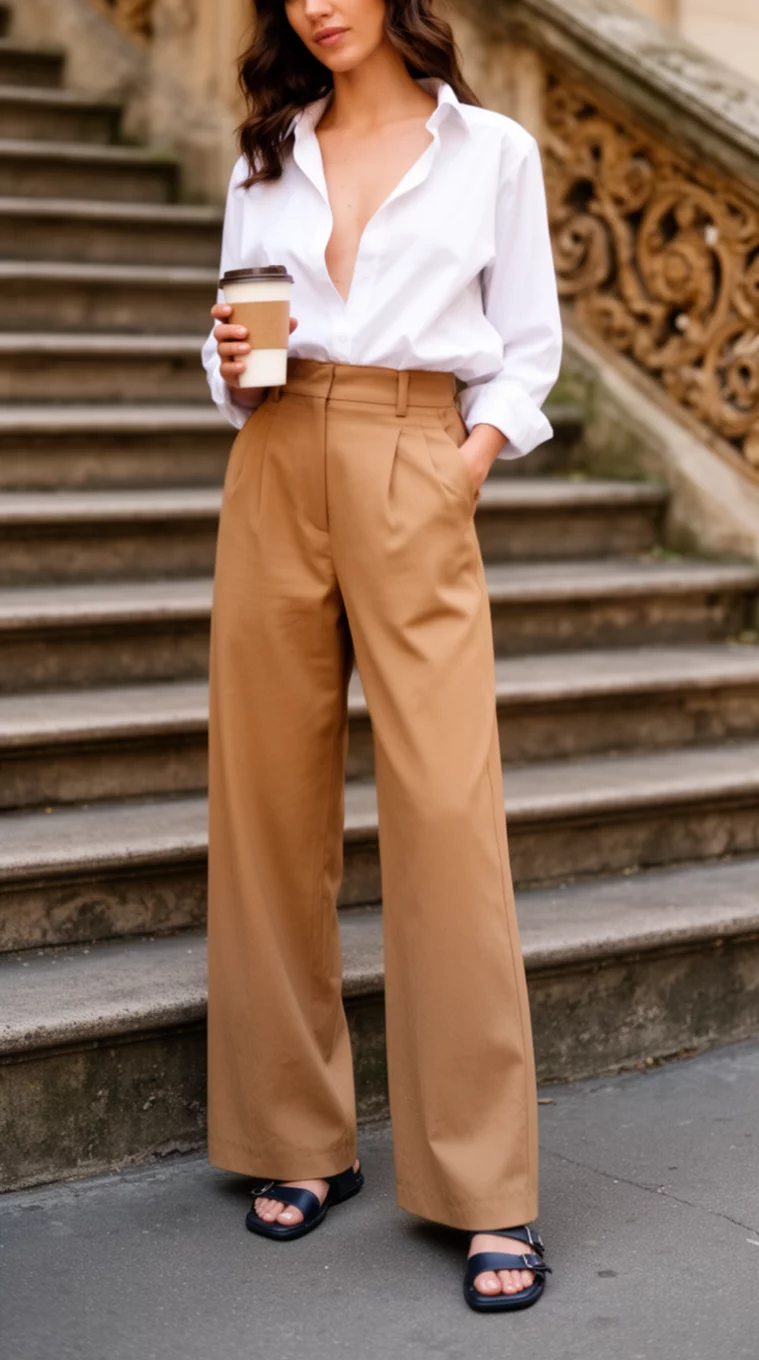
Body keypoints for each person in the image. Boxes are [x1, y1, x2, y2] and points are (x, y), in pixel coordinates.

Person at [201, 0, 562, 1313]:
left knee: (446, 817)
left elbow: (525, 352)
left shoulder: (491, 152)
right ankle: (292, 1136)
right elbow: (229, 335)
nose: (316, 2)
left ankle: (484, 1186)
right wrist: (233, 370)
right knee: (266, 812)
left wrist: (462, 468)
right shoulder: (268, 149)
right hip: (278, 455)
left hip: (417, 449)